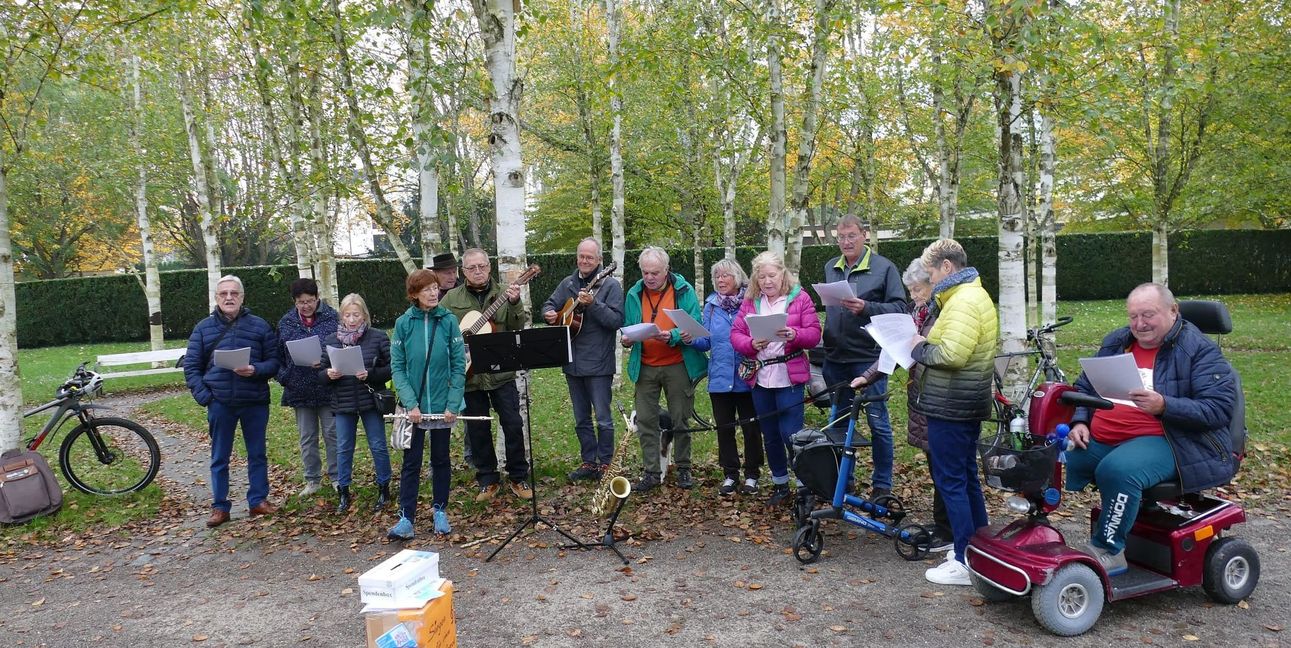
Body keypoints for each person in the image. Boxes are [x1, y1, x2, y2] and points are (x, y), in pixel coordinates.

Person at [1065, 283, 1236, 575]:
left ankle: (1109, 550)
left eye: (1148, 315)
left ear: (1173, 311)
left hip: (1172, 440)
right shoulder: (1118, 341)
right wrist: (1079, 421)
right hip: (1107, 435)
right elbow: (1085, 387)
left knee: (1119, 470)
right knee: (1052, 457)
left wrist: (1164, 406)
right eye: (1133, 316)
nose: (1139, 324)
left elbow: (1218, 410)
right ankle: (1039, 538)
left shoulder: (1199, 350)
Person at [908, 239, 998, 585]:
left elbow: (951, 356)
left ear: (947, 267)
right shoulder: (971, 295)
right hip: (964, 403)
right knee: (965, 477)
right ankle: (978, 546)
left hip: (952, 405)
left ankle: (963, 558)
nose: (929, 279)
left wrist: (919, 347)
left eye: (930, 271)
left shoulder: (962, 302)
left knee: (953, 481)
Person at [850, 259, 952, 552]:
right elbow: (894, 351)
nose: (913, 296)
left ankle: (951, 532)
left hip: (941, 399)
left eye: (918, 289)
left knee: (945, 467)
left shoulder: (942, 314)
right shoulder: (919, 312)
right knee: (937, 466)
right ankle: (943, 525)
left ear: (933, 285)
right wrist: (867, 377)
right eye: (911, 290)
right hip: (922, 397)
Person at [184, 275, 281, 528]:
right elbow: (191, 368)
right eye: (224, 293)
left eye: (234, 293)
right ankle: (220, 506)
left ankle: (258, 501)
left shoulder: (260, 326)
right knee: (220, 457)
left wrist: (255, 369)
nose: (229, 297)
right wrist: (206, 397)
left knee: (257, 454)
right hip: (220, 402)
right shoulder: (203, 328)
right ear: (216, 298)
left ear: (242, 296)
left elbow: (274, 362)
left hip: (254, 401)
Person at [821, 215, 906, 500]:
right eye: (841, 237)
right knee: (840, 421)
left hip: (869, 359)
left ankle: (882, 485)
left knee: (877, 422)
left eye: (851, 236)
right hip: (835, 357)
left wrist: (866, 307)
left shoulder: (884, 268)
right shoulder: (831, 267)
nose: (845, 241)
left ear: (865, 235)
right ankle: (845, 480)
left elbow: (900, 308)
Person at [729, 252, 822, 506]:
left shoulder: (799, 298)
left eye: (772, 275)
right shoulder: (751, 301)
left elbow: (814, 334)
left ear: (783, 274)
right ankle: (780, 483)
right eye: (762, 277)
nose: (768, 281)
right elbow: (736, 334)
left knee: (791, 434)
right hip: (761, 377)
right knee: (769, 434)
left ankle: (804, 486)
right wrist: (750, 343)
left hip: (789, 376)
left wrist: (794, 334)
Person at [441, 248, 533, 502]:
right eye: (472, 268)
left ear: (489, 267)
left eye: (482, 266)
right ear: (463, 271)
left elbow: (517, 327)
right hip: (469, 376)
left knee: (513, 423)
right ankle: (487, 479)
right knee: (477, 428)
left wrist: (514, 303)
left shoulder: (505, 293)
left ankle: (518, 476)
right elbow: (441, 329)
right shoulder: (451, 299)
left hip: (501, 372)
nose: (478, 271)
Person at [619, 247, 707, 492]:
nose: (649, 277)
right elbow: (628, 325)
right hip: (645, 364)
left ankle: (684, 469)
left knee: (680, 417)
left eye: (655, 272)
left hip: (678, 363)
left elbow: (695, 324)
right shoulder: (634, 293)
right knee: (646, 419)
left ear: (666, 270)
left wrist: (674, 335)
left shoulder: (684, 290)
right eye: (645, 272)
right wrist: (626, 338)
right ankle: (651, 472)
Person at [387, 270, 466, 540]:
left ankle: (440, 511)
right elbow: (397, 368)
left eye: (435, 288)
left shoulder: (449, 321)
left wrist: (453, 404)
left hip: (443, 405)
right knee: (411, 462)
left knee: (441, 459)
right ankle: (406, 518)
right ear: (414, 295)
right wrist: (411, 404)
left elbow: (459, 365)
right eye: (426, 290)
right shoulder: (403, 324)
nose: (433, 293)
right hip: (415, 409)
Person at [541, 238, 624, 482]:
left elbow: (615, 321)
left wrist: (594, 304)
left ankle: (606, 464)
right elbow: (549, 304)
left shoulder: (610, 285)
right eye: (581, 256)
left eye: (590, 257)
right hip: (572, 361)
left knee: (603, 417)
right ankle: (589, 461)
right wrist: (549, 314)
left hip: (598, 362)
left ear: (600, 261)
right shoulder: (567, 283)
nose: (585, 261)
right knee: (581, 418)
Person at [691, 259, 764, 496]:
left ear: (738, 277)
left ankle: (752, 475)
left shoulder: (752, 303)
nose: (720, 281)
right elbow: (705, 342)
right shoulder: (711, 306)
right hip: (720, 379)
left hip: (747, 376)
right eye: (717, 277)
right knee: (725, 429)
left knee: (751, 429)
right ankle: (730, 474)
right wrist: (689, 337)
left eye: (725, 276)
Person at [318, 293, 393, 514]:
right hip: (343, 401)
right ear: (341, 316)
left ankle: (384, 487)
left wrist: (370, 374)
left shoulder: (378, 337)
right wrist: (329, 374)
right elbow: (320, 373)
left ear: (364, 315)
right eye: (347, 315)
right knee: (343, 447)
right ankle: (344, 490)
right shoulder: (332, 340)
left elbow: (392, 367)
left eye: (356, 315)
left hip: (370, 400)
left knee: (378, 445)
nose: (352, 319)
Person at [276, 278, 340, 498]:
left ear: (317, 298)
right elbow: (278, 356)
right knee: (307, 436)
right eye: (301, 302)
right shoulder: (286, 322)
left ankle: (337, 476)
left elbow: (341, 346)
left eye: (310, 301)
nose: (306, 306)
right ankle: (312, 479)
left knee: (332, 433)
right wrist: (286, 377)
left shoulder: (332, 317)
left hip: (328, 386)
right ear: (294, 301)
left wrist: (327, 363)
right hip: (299, 387)